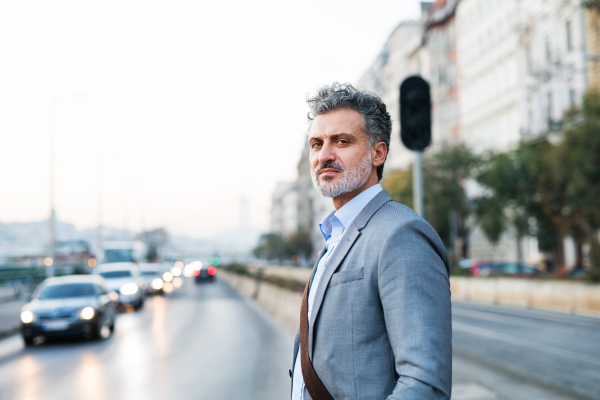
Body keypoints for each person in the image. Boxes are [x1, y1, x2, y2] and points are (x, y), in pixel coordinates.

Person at [290, 83, 452, 400]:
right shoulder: (334, 236)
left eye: (342, 141)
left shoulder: (401, 234)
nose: (324, 156)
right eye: (316, 144)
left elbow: (425, 383)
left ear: (377, 153)